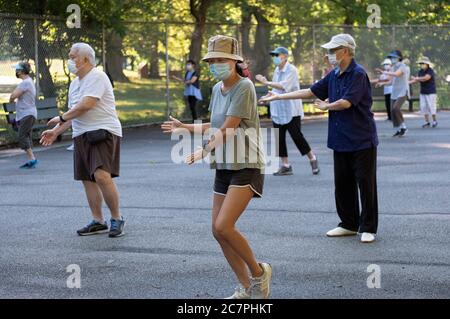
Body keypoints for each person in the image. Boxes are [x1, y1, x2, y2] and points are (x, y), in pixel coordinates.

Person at [161, 35, 272, 299]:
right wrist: (185, 127)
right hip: (224, 163)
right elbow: (214, 125)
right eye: (212, 61)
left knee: (224, 226)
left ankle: (259, 274)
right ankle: (247, 288)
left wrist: (203, 150)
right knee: (217, 231)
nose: (215, 65)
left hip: (246, 164)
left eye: (220, 60)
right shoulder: (215, 90)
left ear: (234, 62)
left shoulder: (244, 87)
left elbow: (228, 129)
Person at [259, 34, 379, 243]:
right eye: (330, 50)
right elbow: (310, 92)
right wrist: (278, 96)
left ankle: (368, 227)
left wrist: (327, 106)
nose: (330, 54)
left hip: (361, 139)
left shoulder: (358, 74)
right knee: (342, 184)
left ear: (346, 50)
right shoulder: (333, 75)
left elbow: (347, 102)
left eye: (334, 50)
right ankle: (348, 224)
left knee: (365, 183)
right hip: (340, 138)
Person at [40, 42, 125, 238]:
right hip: (81, 134)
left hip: (102, 132)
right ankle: (98, 220)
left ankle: (116, 218)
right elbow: (74, 114)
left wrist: (60, 118)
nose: (70, 61)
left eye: (73, 57)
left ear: (86, 59)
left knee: (102, 176)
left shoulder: (97, 76)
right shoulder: (75, 83)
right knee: (87, 179)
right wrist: (55, 131)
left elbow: (87, 104)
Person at [255, 46, 319, 176]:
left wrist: (266, 82)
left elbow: (284, 87)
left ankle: (312, 158)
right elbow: (275, 91)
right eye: (273, 56)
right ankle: (285, 165)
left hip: (291, 110)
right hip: (277, 109)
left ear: (285, 56)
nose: (274, 58)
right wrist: (266, 97)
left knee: (297, 137)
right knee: (279, 138)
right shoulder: (276, 71)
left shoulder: (292, 70)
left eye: (277, 55)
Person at [9, 62, 38, 169]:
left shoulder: (25, 83)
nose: (15, 72)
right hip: (28, 113)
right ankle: (31, 159)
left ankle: (32, 159)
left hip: (27, 113)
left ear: (21, 71)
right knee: (26, 135)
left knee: (22, 136)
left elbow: (14, 95)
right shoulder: (29, 81)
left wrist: (11, 99)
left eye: (17, 70)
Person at [376, 50, 409, 137]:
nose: (393, 59)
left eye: (394, 57)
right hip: (395, 92)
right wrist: (381, 83)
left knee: (396, 108)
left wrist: (384, 72)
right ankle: (399, 129)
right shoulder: (393, 67)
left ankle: (404, 127)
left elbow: (397, 74)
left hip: (403, 91)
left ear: (399, 58)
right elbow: (391, 82)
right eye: (392, 57)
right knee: (392, 111)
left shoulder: (403, 66)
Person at [410, 56, 437, 128]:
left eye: (423, 63)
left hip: (431, 92)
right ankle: (427, 122)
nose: (421, 65)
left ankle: (434, 121)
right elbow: (417, 80)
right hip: (423, 92)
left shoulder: (430, 71)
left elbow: (426, 78)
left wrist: (417, 78)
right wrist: (408, 82)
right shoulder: (420, 71)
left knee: (431, 107)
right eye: (421, 63)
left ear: (427, 64)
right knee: (423, 107)